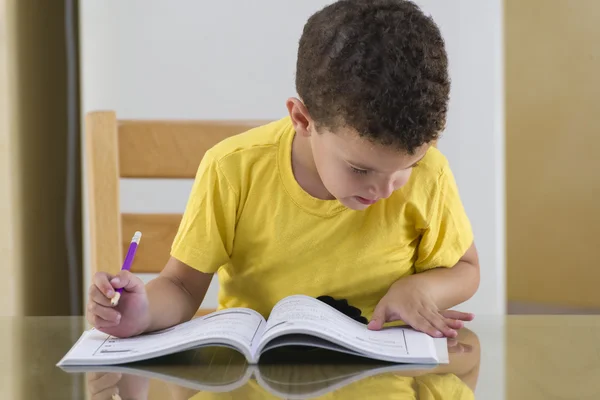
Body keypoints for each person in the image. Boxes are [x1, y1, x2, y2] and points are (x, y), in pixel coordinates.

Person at [86, 0, 480, 341]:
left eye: (406, 167)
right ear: (302, 119)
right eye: (360, 169)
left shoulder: (430, 173)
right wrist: (141, 313)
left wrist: (420, 288)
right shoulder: (233, 169)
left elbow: (465, 269)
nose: (385, 189)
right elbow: (182, 286)